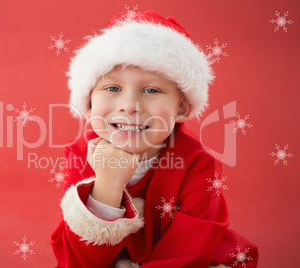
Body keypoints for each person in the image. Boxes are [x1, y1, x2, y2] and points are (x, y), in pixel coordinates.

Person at [51, 10, 258, 268]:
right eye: (112, 88)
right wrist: (107, 186)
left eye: (151, 90)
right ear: (89, 104)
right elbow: (78, 260)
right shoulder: (79, 154)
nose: (129, 105)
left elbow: (187, 253)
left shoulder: (197, 164)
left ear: (181, 109)